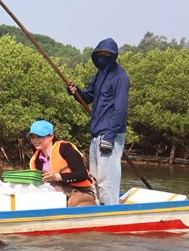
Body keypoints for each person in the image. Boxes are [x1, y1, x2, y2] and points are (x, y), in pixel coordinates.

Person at [67, 38, 129, 205]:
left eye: (107, 55)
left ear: (114, 56)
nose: (103, 58)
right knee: (95, 180)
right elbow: (87, 97)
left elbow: (120, 109)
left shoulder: (120, 77)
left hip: (110, 134)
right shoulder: (99, 75)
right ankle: (99, 214)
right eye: (100, 54)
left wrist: (109, 136)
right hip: (96, 134)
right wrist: (76, 92)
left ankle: (111, 215)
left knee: (107, 182)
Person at [27, 120, 97, 207]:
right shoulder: (36, 160)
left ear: (51, 136)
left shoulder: (65, 149)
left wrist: (57, 176)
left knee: (79, 203)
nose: (35, 140)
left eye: (39, 136)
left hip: (80, 191)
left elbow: (82, 174)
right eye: (32, 137)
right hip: (52, 193)